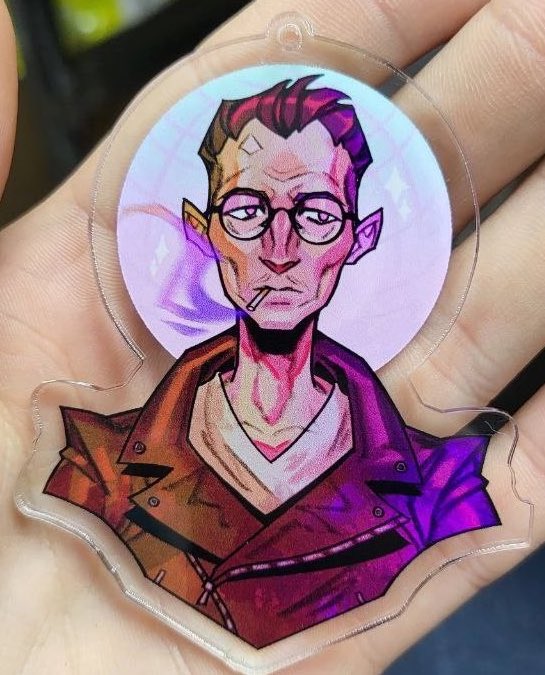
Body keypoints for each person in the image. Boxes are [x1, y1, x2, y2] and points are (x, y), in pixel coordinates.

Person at [0, 0, 543, 671]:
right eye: (247, 210)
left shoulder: (441, 492)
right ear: (201, 228)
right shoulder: (91, 467)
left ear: (360, 237)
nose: (280, 250)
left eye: (315, 213)